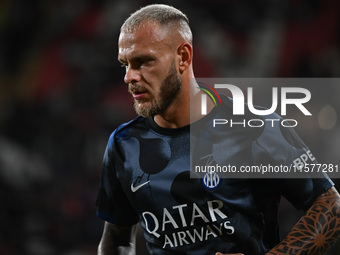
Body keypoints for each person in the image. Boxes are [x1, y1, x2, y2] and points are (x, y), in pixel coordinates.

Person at [96, 4, 340, 255]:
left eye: (143, 62)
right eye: (125, 64)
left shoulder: (255, 127)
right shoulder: (123, 144)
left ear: (183, 57)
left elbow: (330, 206)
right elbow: (117, 239)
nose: (129, 77)